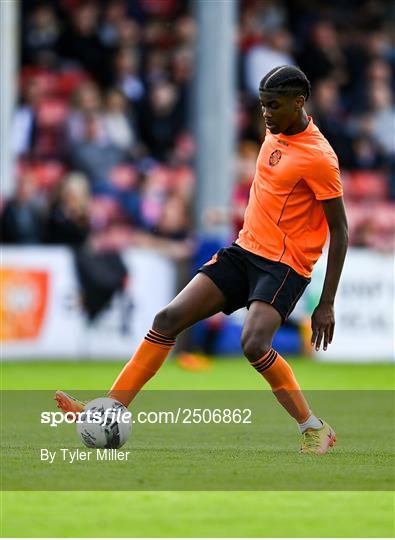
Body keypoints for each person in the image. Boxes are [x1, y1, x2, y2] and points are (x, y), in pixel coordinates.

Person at [55, 65, 348, 454]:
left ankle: (314, 428)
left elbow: (340, 230)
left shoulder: (320, 158)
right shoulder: (273, 131)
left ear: (299, 103)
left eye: (273, 105)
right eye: (262, 105)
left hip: (285, 265)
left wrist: (326, 303)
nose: (265, 113)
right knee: (167, 319)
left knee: (254, 343)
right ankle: (110, 408)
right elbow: (273, 196)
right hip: (244, 251)